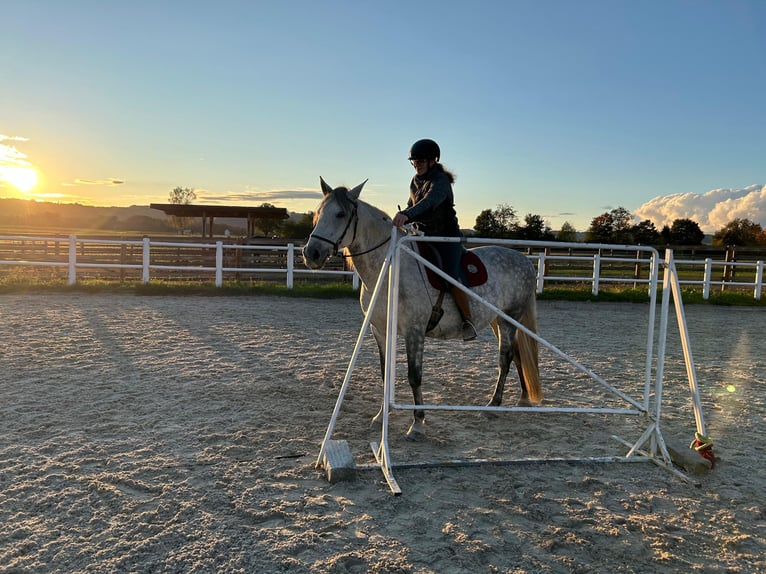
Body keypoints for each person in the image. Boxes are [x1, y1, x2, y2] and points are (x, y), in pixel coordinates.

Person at [391, 138, 477, 341]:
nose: (416, 165)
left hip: (446, 238)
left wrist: (408, 215)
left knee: (449, 276)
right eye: (413, 161)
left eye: (420, 161)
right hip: (421, 235)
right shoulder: (415, 181)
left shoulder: (441, 181)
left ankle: (468, 321)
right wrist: (405, 216)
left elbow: (429, 203)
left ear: (432, 161)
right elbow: (411, 205)